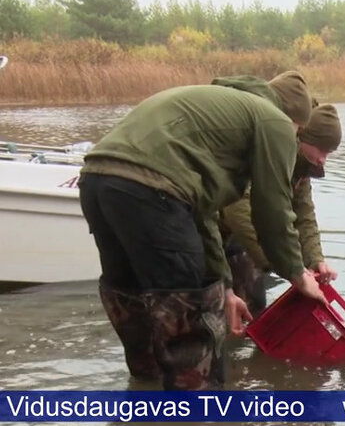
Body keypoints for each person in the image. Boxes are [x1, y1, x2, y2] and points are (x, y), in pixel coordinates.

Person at [78, 71, 327, 390]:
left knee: (132, 304)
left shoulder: (220, 108)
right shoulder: (275, 120)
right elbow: (272, 211)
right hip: (152, 192)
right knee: (193, 324)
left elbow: (203, 213)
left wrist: (224, 287)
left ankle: (143, 404)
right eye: (299, 132)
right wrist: (297, 274)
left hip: (96, 181)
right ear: (296, 123)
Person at [220, 103, 343, 317]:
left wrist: (316, 260)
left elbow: (304, 218)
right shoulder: (269, 153)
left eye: (329, 153)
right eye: (321, 150)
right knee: (211, 313)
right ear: (302, 138)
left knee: (255, 306)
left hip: (245, 243)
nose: (323, 159)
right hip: (215, 234)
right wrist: (289, 269)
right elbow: (239, 212)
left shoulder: (303, 169)